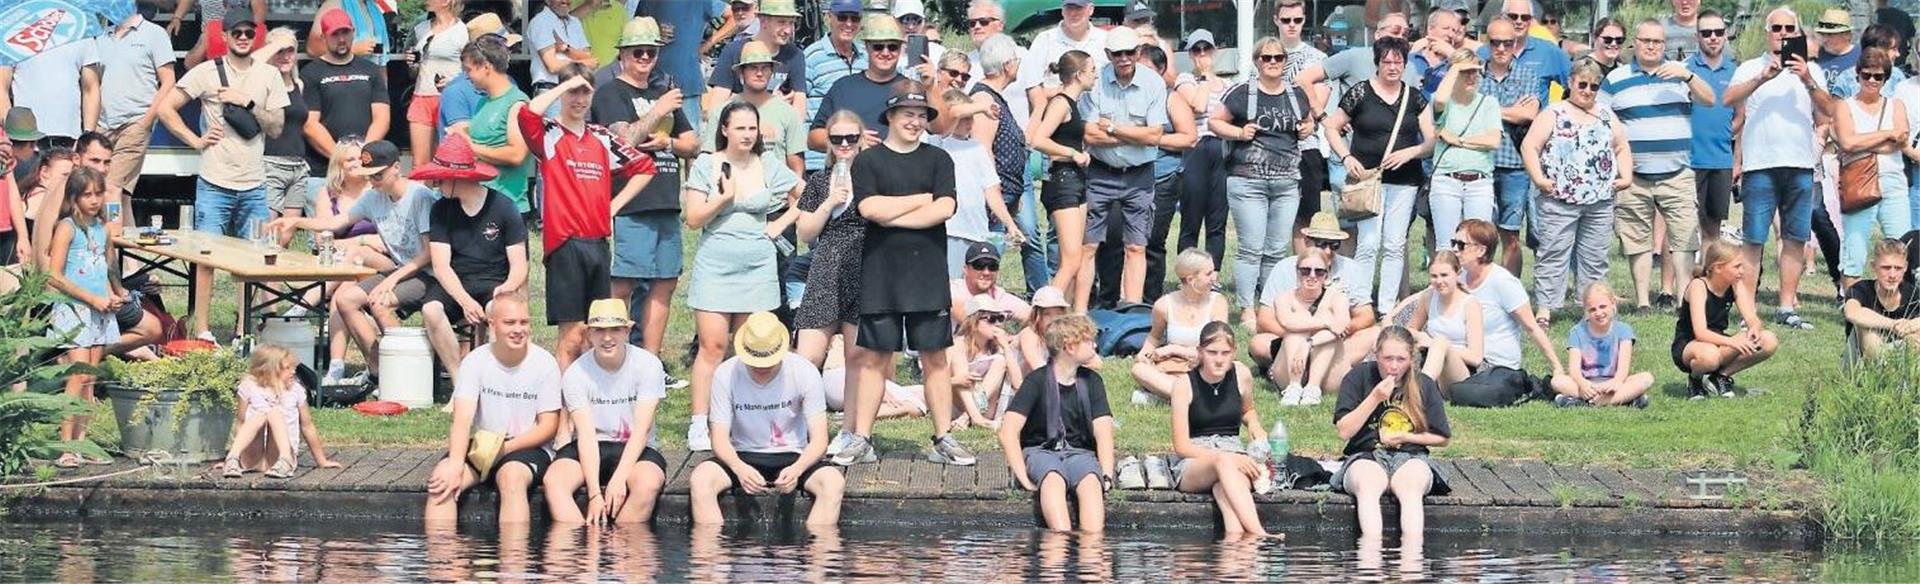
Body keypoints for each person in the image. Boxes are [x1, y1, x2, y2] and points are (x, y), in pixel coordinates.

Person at [836, 86, 974, 467]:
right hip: (881, 272)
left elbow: (944, 207)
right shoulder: (869, 161)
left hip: (927, 272)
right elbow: (869, 208)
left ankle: (943, 436)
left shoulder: (939, 159)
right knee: (874, 357)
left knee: (935, 356)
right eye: (907, 114)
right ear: (891, 118)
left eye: (921, 115)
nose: (915, 122)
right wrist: (918, 200)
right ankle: (861, 437)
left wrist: (898, 215)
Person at [152, 10, 291, 340]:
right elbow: (165, 108)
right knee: (205, 258)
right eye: (236, 32)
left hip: (255, 183)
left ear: (254, 36)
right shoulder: (206, 72)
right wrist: (195, 141)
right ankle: (202, 330)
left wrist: (249, 102)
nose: (243, 37)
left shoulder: (268, 76)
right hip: (214, 182)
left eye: (248, 32)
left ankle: (244, 330)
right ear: (225, 37)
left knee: (254, 260)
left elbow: (277, 127)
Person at [682, 102, 803, 452]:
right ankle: (699, 422)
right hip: (716, 264)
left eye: (752, 128)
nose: (747, 135)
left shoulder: (768, 164)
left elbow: (806, 194)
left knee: (748, 347)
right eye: (740, 128)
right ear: (724, 129)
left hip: (758, 265)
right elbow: (693, 218)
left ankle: (742, 419)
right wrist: (723, 199)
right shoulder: (707, 164)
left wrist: (778, 224)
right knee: (713, 347)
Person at [521, 67, 657, 370]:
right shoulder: (549, 134)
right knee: (571, 336)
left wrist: (613, 206)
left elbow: (645, 168)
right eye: (574, 91)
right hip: (565, 243)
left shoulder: (601, 137)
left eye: (585, 92)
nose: (579, 99)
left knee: (592, 333)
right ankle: (563, 413)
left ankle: (586, 403)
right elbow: (527, 113)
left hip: (597, 242)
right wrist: (564, 84)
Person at [271, 140, 438, 385]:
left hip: (427, 273)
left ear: (396, 168)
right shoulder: (373, 197)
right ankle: (378, 369)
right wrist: (297, 223)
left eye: (378, 175)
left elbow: (429, 253)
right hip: (400, 269)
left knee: (379, 301)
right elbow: (338, 222)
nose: (372, 181)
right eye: (368, 175)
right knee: (345, 299)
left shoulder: (419, 196)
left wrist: (392, 279)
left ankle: (407, 372)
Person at [590, 16, 699, 360]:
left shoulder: (661, 90)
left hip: (666, 197)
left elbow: (692, 143)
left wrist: (668, 142)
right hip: (631, 202)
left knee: (665, 283)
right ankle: (613, 354)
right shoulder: (609, 93)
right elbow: (625, 139)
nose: (645, 58)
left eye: (651, 52)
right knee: (623, 282)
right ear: (622, 54)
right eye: (638, 52)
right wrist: (660, 111)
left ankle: (651, 362)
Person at [1722, 7, 1833, 331]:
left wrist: (1808, 79)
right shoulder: (1750, 67)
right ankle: (1747, 310)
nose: (1783, 33)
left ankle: (1787, 306)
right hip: (1760, 164)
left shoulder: (1811, 69)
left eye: (1790, 27)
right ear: (1767, 31)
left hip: (1799, 163)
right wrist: (1761, 78)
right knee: (1754, 240)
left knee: (1795, 237)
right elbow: (1728, 99)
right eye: (1777, 27)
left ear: (1797, 33)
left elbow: (1828, 112)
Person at [689, 311, 845, 526]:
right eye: (754, 362)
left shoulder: (804, 371)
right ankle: (713, 554)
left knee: (833, 482)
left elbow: (819, 440)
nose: (761, 367)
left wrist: (798, 469)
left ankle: (819, 553)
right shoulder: (726, 373)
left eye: (768, 362)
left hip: (794, 454)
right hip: (743, 454)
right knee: (701, 480)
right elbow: (719, 439)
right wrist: (738, 467)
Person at [1602, 21, 1712, 314]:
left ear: (1665, 45)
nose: (1651, 46)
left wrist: (1687, 75)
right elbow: (1599, 118)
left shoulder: (1679, 75)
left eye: (1657, 42)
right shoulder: (1615, 78)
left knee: (1684, 238)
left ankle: (1683, 300)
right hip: (1633, 176)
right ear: (1634, 43)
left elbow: (1710, 100)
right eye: (1646, 40)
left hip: (1676, 173)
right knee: (1635, 238)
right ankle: (1642, 302)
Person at [424, 295, 563, 526]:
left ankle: (514, 558)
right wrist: (456, 465)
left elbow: (549, 426)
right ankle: (444, 559)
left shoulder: (544, 363)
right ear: (492, 324)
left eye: (524, 322)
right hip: (483, 444)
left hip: (527, 446)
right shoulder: (475, 361)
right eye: (510, 323)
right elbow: (461, 419)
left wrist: (504, 449)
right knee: (442, 480)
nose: (518, 330)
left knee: (511, 478)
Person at [1324, 36, 1435, 310]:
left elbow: (1431, 140)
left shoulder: (1414, 97)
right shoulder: (1361, 92)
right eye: (1387, 61)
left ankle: (1386, 307)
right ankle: (1360, 301)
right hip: (1368, 180)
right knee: (1369, 243)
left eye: (1398, 61)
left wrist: (1411, 152)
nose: (1393, 67)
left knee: (1396, 244)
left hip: (1405, 180)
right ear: (1377, 63)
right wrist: (1346, 156)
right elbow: (1331, 126)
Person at [1211, 37, 1313, 324]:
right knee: (1250, 248)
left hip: (1287, 181)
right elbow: (1215, 122)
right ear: (1257, 61)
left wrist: (1307, 128)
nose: (1272, 62)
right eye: (1266, 57)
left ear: (1285, 61)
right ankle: (1246, 309)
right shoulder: (1242, 93)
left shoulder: (1296, 94)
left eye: (1277, 58)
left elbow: (1308, 121)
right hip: (1247, 180)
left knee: (1276, 250)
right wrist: (1238, 133)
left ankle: (1270, 306)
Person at [415, 134, 530, 385]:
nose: (435, 184)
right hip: (457, 281)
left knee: (496, 310)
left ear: (458, 178)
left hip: (495, 280)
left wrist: (507, 288)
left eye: (440, 178)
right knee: (431, 309)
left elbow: (520, 265)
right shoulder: (441, 210)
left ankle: (493, 382)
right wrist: (465, 301)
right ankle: (461, 382)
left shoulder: (503, 207)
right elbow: (441, 266)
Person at [1522, 58, 1630, 320]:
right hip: (1559, 198)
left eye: (1594, 86)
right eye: (1582, 84)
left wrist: (1625, 175)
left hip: (1600, 200)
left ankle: (1592, 309)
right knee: (1553, 253)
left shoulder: (1606, 114)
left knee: (1595, 257)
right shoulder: (1553, 113)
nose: (1587, 90)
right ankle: (1546, 309)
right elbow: (1530, 147)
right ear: (1571, 82)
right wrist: (1538, 178)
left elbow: (1621, 146)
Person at [543, 299, 669, 524]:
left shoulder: (648, 365)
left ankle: (623, 548)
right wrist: (594, 493)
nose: (607, 338)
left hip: (637, 447)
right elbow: (586, 436)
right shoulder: (576, 373)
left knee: (647, 484)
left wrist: (619, 479)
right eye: (600, 331)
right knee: (554, 481)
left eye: (615, 330)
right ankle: (576, 548)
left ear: (627, 331)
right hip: (593, 444)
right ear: (589, 334)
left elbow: (642, 430)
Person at [997, 314, 1115, 533]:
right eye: (1088, 341)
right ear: (1069, 347)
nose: (1095, 345)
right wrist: (1023, 477)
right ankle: (1058, 546)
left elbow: (1104, 433)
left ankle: (1093, 549)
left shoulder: (1092, 382)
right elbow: (1008, 431)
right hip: (1042, 450)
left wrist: (1106, 474)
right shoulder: (1036, 381)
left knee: (1090, 482)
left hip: (1080, 453)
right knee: (1053, 479)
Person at [1333, 326, 1452, 541]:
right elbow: (1344, 431)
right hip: (1366, 454)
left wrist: (1406, 437)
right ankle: (1370, 560)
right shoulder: (1358, 377)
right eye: (1388, 358)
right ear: (1376, 354)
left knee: (1410, 488)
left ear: (1411, 359)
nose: (1394, 367)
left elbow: (1443, 438)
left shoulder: (1422, 383)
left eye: (1401, 359)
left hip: (1411, 456)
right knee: (1368, 485)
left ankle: (1411, 562)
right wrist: (1374, 399)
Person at [1081, 27, 1169, 306]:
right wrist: (1135, 134)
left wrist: (1113, 128)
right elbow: (1090, 134)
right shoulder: (1096, 82)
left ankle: (1130, 311)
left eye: (1129, 52)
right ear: (1108, 54)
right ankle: (1081, 310)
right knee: (1089, 246)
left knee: (1136, 246)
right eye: (1117, 53)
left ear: (1139, 52)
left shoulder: (1153, 83)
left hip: (1139, 175)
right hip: (1100, 172)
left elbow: (1154, 136)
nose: (1124, 58)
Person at [45, 167, 121, 468]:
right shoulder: (66, 227)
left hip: (99, 309)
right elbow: (54, 274)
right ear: (74, 197)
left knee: (90, 377)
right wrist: (91, 298)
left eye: (98, 194)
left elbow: (103, 269)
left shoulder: (102, 230)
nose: (94, 200)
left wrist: (113, 294)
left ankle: (83, 442)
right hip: (74, 309)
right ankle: (66, 445)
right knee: (76, 376)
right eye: (87, 194)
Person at [1169, 322, 1275, 537]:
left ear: (1234, 352)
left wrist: (1255, 425)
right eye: (1212, 353)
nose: (1219, 359)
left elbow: (1247, 410)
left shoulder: (1241, 374)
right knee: (1224, 462)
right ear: (1200, 352)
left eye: (1225, 353)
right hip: (1196, 459)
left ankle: (1236, 550)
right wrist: (1228, 458)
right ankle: (1259, 533)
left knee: (1225, 493)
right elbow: (1181, 446)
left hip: (1232, 450)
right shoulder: (1183, 385)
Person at [1478, 14, 1562, 274]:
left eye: (1507, 43)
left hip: (1515, 164)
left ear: (1515, 43)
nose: (1501, 48)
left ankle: (1509, 291)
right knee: (1479, 234)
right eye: (1495, 43)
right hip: (1481, 162)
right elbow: (1466, 109)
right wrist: (1507, 110)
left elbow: (1528, 114)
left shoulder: (1529, 75)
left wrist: (1485, 108)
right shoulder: (1474, 75)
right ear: (1487, 43)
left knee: (1511, 236)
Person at [1250, 212, 1377, 381]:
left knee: (1375, 334)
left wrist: (1336, 330)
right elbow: (1264, 320)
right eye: (1322, 244)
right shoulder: (1283, 268)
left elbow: (1366, 316)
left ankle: (1300, 369)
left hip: (1334, 339)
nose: (1328, 251)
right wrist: (1297, 334)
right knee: (1258, 344)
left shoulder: (1352, 269)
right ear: (1307, 241)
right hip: (1291, 338)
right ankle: (1320, 369)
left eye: (1334, 245)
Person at [795, 110, 870, 369]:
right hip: (826, 267)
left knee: (859, 358)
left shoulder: (873, 177)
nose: (845, 144)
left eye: (851, 137)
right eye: (837, 139)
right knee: (807, 357)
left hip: (865, 266)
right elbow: (805, 233)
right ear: (828, 142)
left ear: (861, 139)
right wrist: (829, 203)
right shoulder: (819, 180)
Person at [1835, 49, 1912, 290]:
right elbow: (1847, 142)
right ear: (1857, 75)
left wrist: (1862, 142)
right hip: (1858, 183)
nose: (1871, 81)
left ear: (1886, 79)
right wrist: (1887, 134)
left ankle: (1900, 307)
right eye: (1866, 75)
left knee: (1903, 249)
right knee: (1854, 254)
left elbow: (1899, 141)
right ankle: (1852, 311)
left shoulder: (1895, 105)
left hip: (1894, 184)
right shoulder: (1844, 106)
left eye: (1878, 77)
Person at [1453, 219, 1569, 378]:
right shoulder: (1458, 276)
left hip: (1495, 365)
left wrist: (1557, 367)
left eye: (1460, 245)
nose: (1454, 250)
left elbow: (1532, 328)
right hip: (1463, 355)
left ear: (1481, 251)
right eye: (1453, 243)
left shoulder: (1503, 282)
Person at [967, 33, 1036, 283]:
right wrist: (994, 195)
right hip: (993, 198)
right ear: (1007, 65)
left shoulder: (995, 97)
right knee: (986, 260)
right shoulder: (984, 99)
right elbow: (983, 151)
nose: (1018, 65)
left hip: (1006, 194)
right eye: (1016, 60)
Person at [1031, 51, 1097, 311]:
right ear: (1079, 74)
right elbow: (1038, 139)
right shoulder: (1061, 103)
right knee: (1070, 261)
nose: (1095, 75)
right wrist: (1073, 153)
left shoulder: (1074, 102)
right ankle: (1041, 318)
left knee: (1075, 257)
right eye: (1092, 69)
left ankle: (1063, 317)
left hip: (1076, 180)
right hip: (1063, 181)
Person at [302, 8, 391, 197]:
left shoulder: (371, 70)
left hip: (365, 168)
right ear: (324, 37)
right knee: (326, 225)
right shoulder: (310, 72)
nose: (341, 39)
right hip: (323, 171)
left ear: (353, 32)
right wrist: (341, 157)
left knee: (367, 226)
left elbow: (382, 116)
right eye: (335, 34)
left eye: (345, 32)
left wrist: (363, 155)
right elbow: (310, 124)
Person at [1674, 241, 1780, 399]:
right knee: (1710, 356)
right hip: (1690, 345)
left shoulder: (1735, 285)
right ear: (1718, 268)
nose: (1742, 271)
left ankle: (1720, 377)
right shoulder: (1698, 286)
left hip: (1719, 343)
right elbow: (1700, 332)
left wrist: (1754, 329)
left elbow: (1752, 318)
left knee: (1768, 340)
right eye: (1737, 266)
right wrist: (1733, 342)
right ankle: (1695, 380)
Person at [95, 6, 177, 208]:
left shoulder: (154, 33)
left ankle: (111, 237)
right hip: (102, 125)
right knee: (121, 195)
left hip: (135, 123)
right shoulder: (101, 36)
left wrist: (145, 122)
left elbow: (168, 81)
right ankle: (126, 238)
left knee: (110, 189)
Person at [931, 90, 1018, 277]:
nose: (970, 123)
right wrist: (982, 106)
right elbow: (951, 113)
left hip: (976, 232)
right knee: (952, 288)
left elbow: (992, 191)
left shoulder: (977, 148)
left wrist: (1010, 224)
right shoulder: (937, 143)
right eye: (966, 118)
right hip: (950, 231)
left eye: (972, 118)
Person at [221, 345, 339, 478]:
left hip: (277, 454)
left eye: (293, 367)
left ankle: (285, 460)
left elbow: (307, 426)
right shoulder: (249, 386)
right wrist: (233, 449)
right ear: (268, 370)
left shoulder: (295, 390)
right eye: (287, 368)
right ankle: (232, 458)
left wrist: (321, 460)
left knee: (274, 413)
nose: (293, 372)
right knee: (260, 415)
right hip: (253, 458)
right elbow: (241, 423)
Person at [1129, 249, 1229, 403]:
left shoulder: (1218, 303)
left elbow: (1219, 349)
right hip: (1171, 368)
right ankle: (1189, 396)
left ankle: (1169, 395)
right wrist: (1144, 354)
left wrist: (1174, 349)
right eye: (1208, 274)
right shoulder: (1163, 305)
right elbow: (1154, 337)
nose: (1214, 278)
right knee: (1139, 369)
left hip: (1204, 365)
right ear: (1190, 279)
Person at [451, 38, 535, 217]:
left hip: (507, 207)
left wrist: (470, 147)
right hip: (479, 203)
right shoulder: (483, 101)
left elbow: (517, 154)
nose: (466, 76)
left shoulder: (517, 103)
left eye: (469, 70)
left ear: (486, 67)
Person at [809, 14, 910, 154]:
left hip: (900, 171)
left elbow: (940, 128)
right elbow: (813, 138)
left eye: (892, 47)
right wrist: (852, 139)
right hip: (853, 171)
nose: (886, 53)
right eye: (878, 47)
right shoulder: (843, 88)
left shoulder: (910, 89)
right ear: (867, 47)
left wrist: (931, 86)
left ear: (900, 49)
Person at [702, 41, 809, 172]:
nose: (759, 73)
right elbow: (709, 160)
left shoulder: (789, 113)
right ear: (741, 72)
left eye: (765, 68)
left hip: (775, 190)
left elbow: (797, 165)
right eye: (753, 67)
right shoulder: (721, 112)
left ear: (772, 72)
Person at [1429, 50, 1500, 245]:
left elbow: (1493, 141)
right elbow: (1441, 100)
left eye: (1475, 71)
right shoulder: (1442, 100)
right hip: (1446, 180)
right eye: (1465, 72)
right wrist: (1456, 67)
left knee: (1478, 244)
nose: (1471, 76)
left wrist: (1457, 140)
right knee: (1446, 244)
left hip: (1479, 182)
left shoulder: (1488, 103)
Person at [1273, 0, 1329, 238]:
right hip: (1271, 146)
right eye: (1286, 20)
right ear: (1276, 19)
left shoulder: (1317, 57)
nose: (1292, 25)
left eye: (1297, 20)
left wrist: (1311, 121)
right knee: (1273, 220)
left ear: (1304, 20)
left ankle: (1306, 271)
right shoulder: (1265, 54)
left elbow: (1322, 95)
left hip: (1306, 145)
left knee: (1306, 221)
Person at [1550, 282, 1654, 408]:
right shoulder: (1577, 332)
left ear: (1613, 303)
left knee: (1646, 378)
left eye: (1602, 306)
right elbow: (1574, 371)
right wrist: (1583, 385)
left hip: (1613, 383)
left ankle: (1594, 401)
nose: (1599, 313)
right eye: (1592, 309)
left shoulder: (1624, 330)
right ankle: (1625, 400)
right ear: (1586, 311)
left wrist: (1615, 382)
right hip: (1587, 383)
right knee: (1557, 381)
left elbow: (1622, 371)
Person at [1268, 249, 1351, 405]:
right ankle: (1294, 387)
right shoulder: (1284, 298)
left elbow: (1341, 326)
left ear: (1326, 275)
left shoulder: (1338, 297)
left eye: (1319, 272)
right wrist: (1326, 323)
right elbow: (1287, 322)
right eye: (1305, 271)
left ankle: (1313, 387)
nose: (1312, 276)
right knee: (1301, 319)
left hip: (1329, 372)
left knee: (1326, 317)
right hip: (1288, 368)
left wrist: (1309, 343)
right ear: (1297, 272)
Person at [0, 17, 101, 145]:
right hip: (26, 139)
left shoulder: (82, 30)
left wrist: (87, 137)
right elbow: (1, 87)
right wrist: (13, 133)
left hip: (70, 138)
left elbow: (91, 89)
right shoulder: (11, 31)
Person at [1176, 30, 1229, 269]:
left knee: (1217, 219)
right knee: (1191, 217)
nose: (1202, 54)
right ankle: (1187, 273)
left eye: (1206, 49)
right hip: (1196, 147)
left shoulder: (1228, 84)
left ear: (1214, 51)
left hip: (1221, 148)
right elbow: (1197, 105)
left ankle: (1213, 273)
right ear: (1190, 54)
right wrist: (1206, 78)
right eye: (1196, 50)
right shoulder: (1185, 80)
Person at [1404, 251, 1484, 396]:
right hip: (1430, 361)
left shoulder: (1470, 304)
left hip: (1459, 371)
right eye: (1434, 276)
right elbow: (1410, 330)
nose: (1439, 281)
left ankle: (1421, 392)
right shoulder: (1428, 297)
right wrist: (1421, 336)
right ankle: (1420, 387)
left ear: (1457, 274)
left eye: (1444, 275)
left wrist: (1441, 346)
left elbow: (1476, 357)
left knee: (1441, 342)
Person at [704, 0, 805, 113]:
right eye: (781, 22)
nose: (788, 30)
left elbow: (799, 111)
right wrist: (767, 103)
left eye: (791, 23)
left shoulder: (795, 55)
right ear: (763, 21)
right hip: (742, 126)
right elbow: (715, 108)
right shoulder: (733, 51)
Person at [1688, 10, 1737, 245]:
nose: (1713, 37)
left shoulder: (1735, 71)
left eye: (1718, 32)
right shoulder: (1686, 68)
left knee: (1712, 230)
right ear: (1697, 37)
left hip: (1721, 160)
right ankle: (1675, 282)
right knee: (1682, 229)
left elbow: (1741, 117)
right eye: (1706, 33)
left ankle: (1708, 279)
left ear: (1726, 35)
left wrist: (1727, 139)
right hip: (1689, 160)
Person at [803, 0, 868, 174]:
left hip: (859, 162)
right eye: (842, 17)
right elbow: (798, 108)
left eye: (854, 18)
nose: (848, 23)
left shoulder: (868, 57)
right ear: (829, 18)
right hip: (819, 162)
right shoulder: (811, 57)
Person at [261, 29, 312, 237]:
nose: (285, 57)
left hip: (299, 167)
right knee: (266, 233)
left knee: (286, 235)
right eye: (279, 51)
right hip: (271, 165)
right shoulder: (263, 84)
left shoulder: (299, 85)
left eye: (290, 50)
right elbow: (252, 66)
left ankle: (279, 271)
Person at [406, 0, 468, 171]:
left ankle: (445, 197)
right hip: (421, 95)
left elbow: (470, 69)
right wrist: (413, 64)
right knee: (420, 164)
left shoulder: (462, 31)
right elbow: (413, 73)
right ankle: (421, 197)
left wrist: (454, 81)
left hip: (449, 98)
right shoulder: (420, 28)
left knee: (447, 161)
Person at [1843, 238, 1920, 361]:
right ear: (1874, 266)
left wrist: (1912, 325)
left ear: (1905, 268)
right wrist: (1893, 325)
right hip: (1860, 361)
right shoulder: (1861, 289)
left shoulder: (1913, 294)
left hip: (1899, 356)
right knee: (1867, 330)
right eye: (1886, 268)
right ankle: (1878, 375)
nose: (1892, 275)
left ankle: (1900, 376)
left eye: (1898, 268)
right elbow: (1852, 312)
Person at [950, 294, 1017, 429]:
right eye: (991, 319)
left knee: (1000, 361)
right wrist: (957, 380)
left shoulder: (1000, 346)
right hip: (959, 403)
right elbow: (940, 382)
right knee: (963, 376)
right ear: (974, 322)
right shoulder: (959, 345)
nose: (997, 324)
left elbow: (1017, 383)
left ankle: (970, 417)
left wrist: (1006, 348)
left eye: (1000, 318)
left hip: (988, 408)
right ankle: (975, 417)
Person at [949, 241, 1032, 327]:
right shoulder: (953, 291)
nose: (986, 272)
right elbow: (970, 324)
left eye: (992, 266)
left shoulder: (998, 296)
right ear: (965, 269)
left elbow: (1033, 317)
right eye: (979, 265)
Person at [528, 0, 595, 97]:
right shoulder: (541, 22)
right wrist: (583, 62)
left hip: (577, 90)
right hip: (551, 91)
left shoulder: (575, 22)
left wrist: (565, 48)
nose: (565, 1)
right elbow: (553, 66)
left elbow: (591, 60)